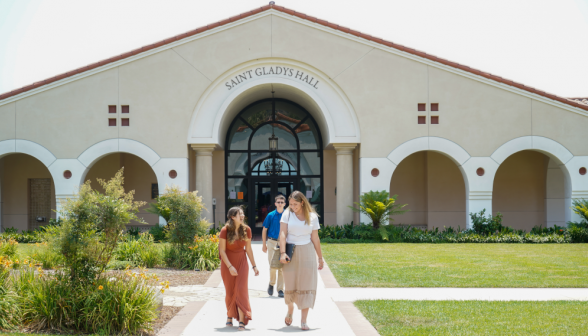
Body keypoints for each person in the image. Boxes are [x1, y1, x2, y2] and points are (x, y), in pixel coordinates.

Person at [279, 190, 324, 331]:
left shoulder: (312, 217)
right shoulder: (287, 214)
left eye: (295, 204)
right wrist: (282, 253)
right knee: (290, 284)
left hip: (307, 252)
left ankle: (303, 320)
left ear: (302, 202)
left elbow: (315, 238)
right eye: (291, 204)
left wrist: (320, 258)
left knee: (306, 284)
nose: (293, 206)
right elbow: (282, 234)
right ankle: (290, 309)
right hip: (290, 252)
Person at [219, 206, 260, 331]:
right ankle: (230, 315)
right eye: (239, 214)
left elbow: (248, 249)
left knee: (241, 290)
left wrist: (254, 266)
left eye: (242, 214)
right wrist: (230, 266)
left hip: (242, 262)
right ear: (232, 217)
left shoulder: (247, 229)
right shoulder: (225, 230)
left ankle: (242, 319)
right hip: (228, 263)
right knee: (230, 291)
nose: (242, 216)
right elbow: (222, 250)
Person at [262, 194, 286, 297]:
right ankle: (271, 284)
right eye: (278, 202)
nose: (280, 204)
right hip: (272, 242)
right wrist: (264, 244)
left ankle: (280, 289)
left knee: (282, 267)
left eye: (282, 202)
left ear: (284, 204)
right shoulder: (270, 215)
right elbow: (264, 230)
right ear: (275, 204)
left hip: (283, 243)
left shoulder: (288, 215)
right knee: (273, 265)